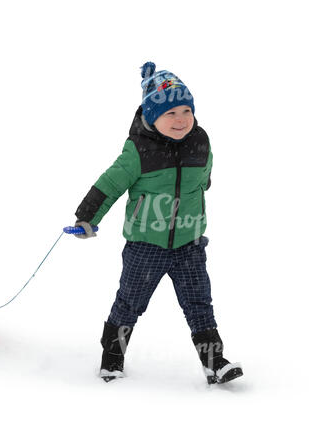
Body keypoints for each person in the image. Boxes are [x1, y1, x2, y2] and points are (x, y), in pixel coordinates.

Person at [74, 62, 243, 384]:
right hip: (145, 245)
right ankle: (112, 358)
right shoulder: (138, 150)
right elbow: (109, 185)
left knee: (199, 304)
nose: (181, 120)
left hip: (190, 243)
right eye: (170, 114)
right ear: (152, 116)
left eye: (186, 111)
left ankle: (215, 362)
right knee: (129, 304)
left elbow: (205, 178)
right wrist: (87, 218)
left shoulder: (201, 142)